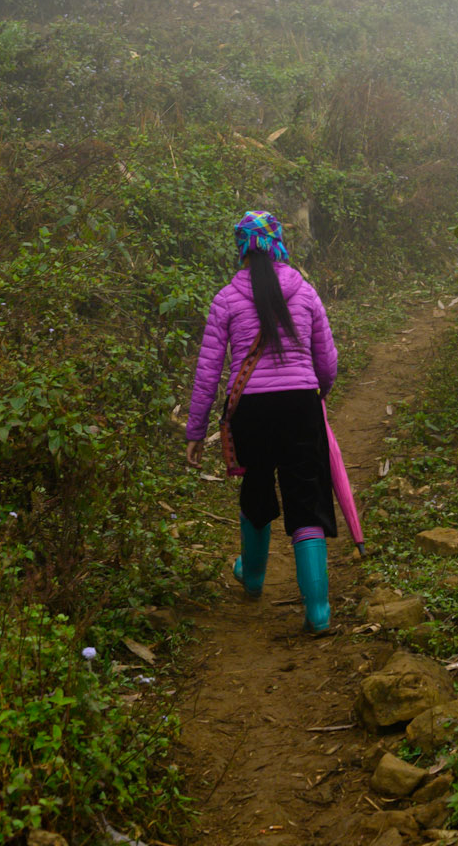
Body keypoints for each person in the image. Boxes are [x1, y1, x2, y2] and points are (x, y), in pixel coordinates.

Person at [185, 210, 338, 633]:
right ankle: (318, 612)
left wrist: (195, 430)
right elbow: (326, 360)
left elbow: (208, 372)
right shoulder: (305, 291)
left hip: (251, 411)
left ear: (242, 249)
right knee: (305, 498)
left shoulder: (226, 299)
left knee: (256, 489)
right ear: (278, 244)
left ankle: (252, 577)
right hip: (301, 406)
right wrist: (317, 394)